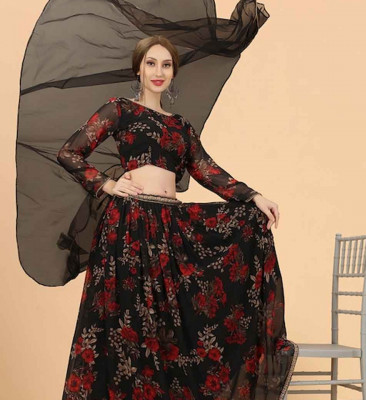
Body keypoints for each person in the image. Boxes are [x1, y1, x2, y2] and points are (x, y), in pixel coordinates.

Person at [56, 35, 298, 400]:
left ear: (173, 73)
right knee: (129, 327)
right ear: (138, 69)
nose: (159, 71)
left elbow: (206, 170)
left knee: (170, 329)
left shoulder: (181, 126)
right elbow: (69, 152)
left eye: (166, 65)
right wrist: (106, 184)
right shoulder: (120, 110)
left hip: (169, 229)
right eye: (151, 63)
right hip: (130, 227)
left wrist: (253, 195)